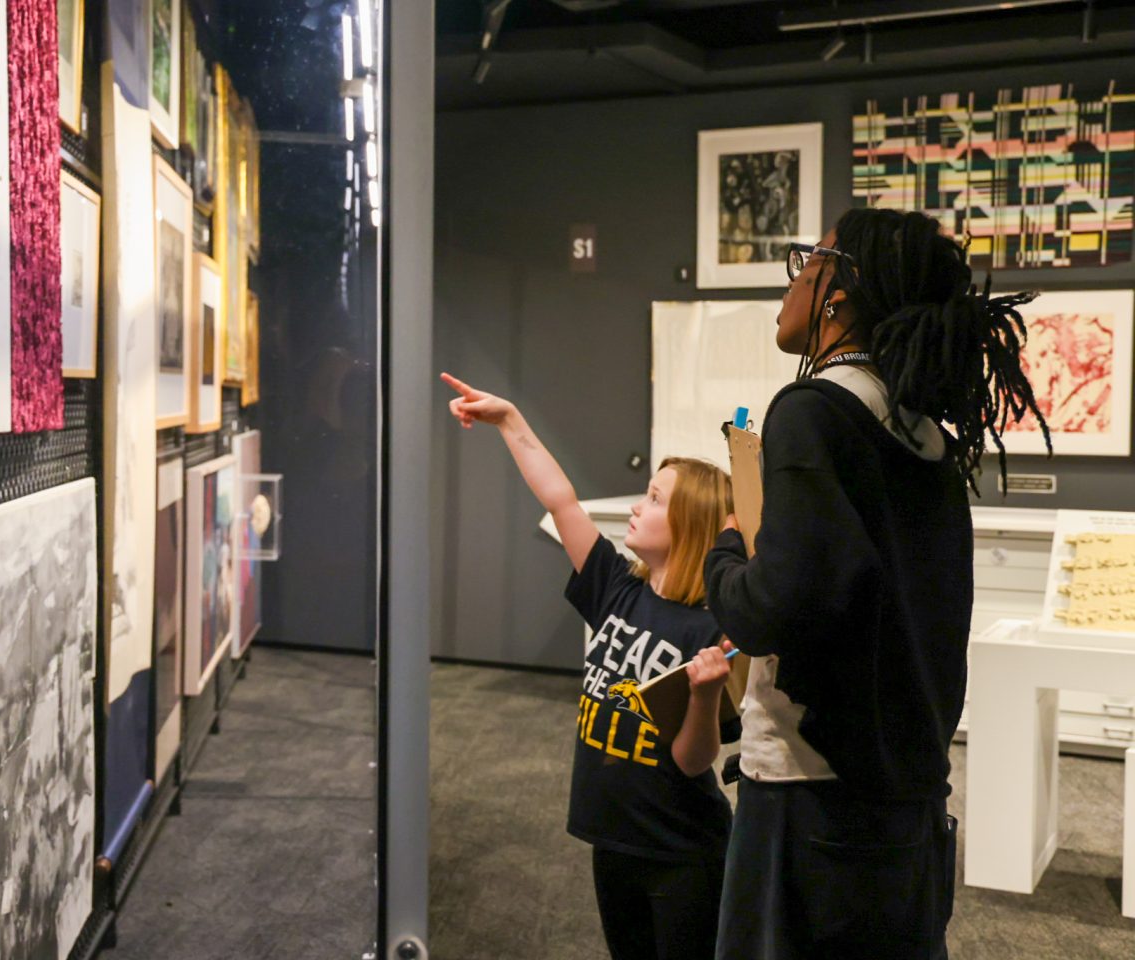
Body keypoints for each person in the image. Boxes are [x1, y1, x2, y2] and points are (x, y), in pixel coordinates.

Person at [703, 207, 1049, 960]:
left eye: (807, 261)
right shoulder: (929, 438)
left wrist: (723, 554)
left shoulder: (812, 411)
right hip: (907, 792)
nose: (792, 281)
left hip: (808, 791)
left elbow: (773, 610)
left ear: (839, 290)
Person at [442, 371, 738, 960]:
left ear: (691, 525)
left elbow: (692, 760)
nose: (637, 506)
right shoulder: (615, 587)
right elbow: (560, 499)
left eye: (655, 499)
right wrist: (509, 420)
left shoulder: (711, 630)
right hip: (613, 838)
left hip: (681, 849)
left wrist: (706, 695)